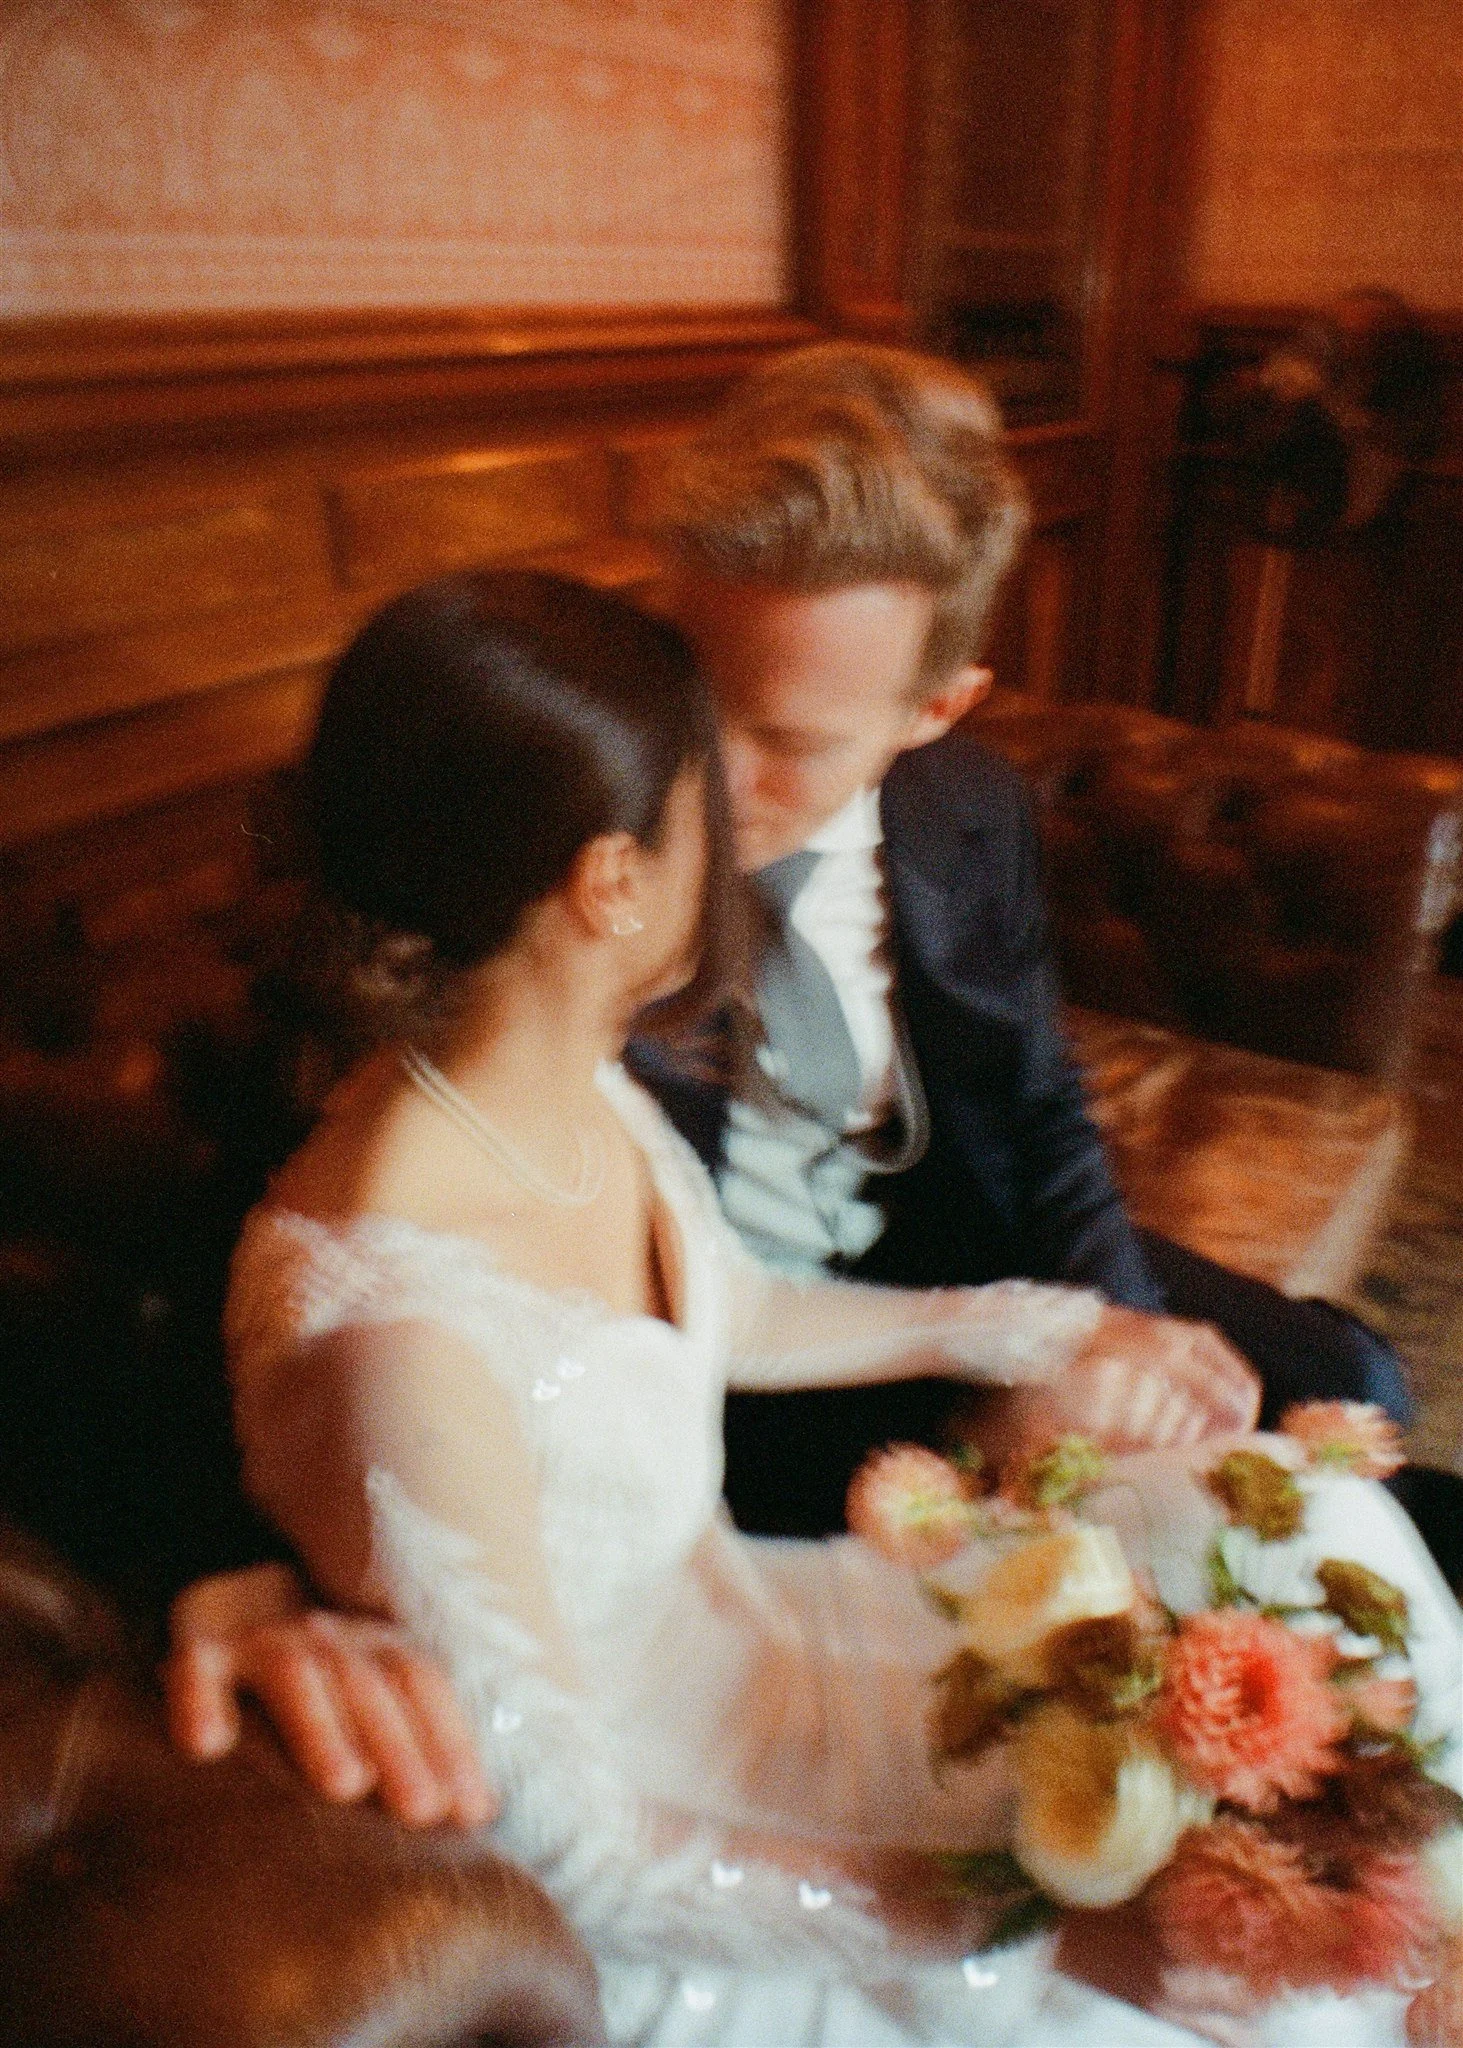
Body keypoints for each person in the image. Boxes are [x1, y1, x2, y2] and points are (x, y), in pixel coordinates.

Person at [171, 342, 1455, 1824]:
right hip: (723, 1376)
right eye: (695, 695)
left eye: (785, 743)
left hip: (925, 1263)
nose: (707, 778)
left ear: (936, 707)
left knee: (1338, 1385)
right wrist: (232, 1566)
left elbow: (1036, 1108)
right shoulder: (563, 865)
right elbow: (308, 1249)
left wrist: (1099, 1336)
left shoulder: (967, 809)